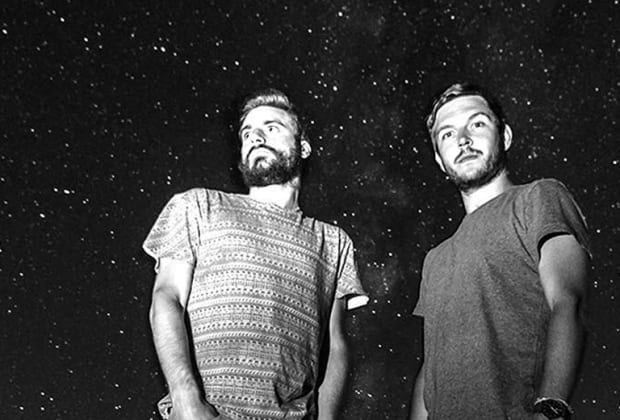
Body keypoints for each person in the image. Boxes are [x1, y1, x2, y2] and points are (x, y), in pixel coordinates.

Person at [143, 88, 368, 420]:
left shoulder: (334, 242)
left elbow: (335, 344)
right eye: (247, 133)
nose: (256, 138)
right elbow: (167, 297)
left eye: (271, 127)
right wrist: (186, 399)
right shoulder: (197, 205)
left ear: (304, 146)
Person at [409, 83, 591, 419]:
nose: (463, 140)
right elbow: (429, 368)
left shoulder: (539, 198)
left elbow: (568, 302)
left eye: (477, 124)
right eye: (447, 134)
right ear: (438, 159)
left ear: (504, 136)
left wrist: (550, 409)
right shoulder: (434, 258)